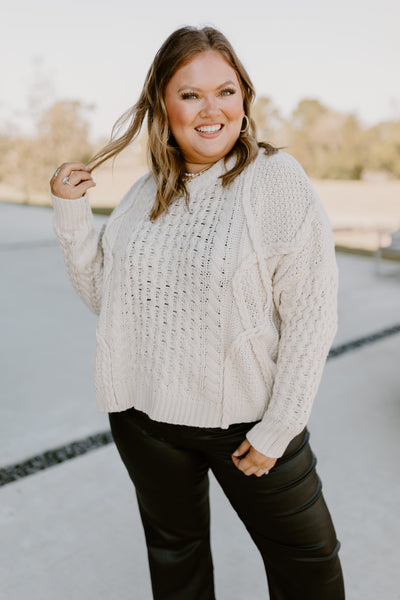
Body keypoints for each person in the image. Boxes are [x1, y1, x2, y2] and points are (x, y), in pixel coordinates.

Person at [49, 25, 345, 600]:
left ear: (244, 99)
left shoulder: (275, 179)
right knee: (176, 562)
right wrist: (71, 213)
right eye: (190, 94)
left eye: (226, 91)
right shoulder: (146, 191)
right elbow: (106, 303)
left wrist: (278, 428)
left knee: (309, 568)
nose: (212, 110)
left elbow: (312, 315)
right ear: (163, 102)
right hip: (145, 421)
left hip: (248, 426)